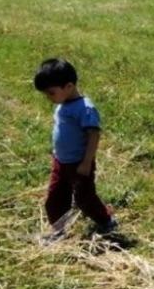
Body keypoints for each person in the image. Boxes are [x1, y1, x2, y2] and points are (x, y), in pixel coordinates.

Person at [33, 59, 118, 237]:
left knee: (84, 198)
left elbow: (93, 135)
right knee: (55, 198)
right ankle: (58, 230)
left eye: (51, 93)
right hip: (60, 162)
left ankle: (105, 220)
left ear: (69, 86)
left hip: (78, 164)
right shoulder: (62, 104)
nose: (49, 98)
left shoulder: (85, 108)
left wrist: (86, 162)